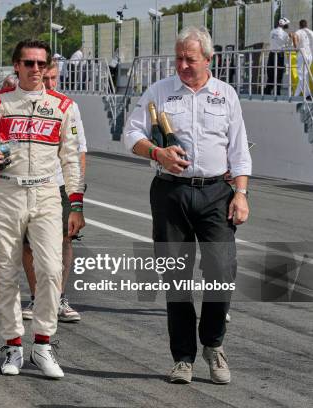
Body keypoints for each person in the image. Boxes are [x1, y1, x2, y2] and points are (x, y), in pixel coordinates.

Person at [123, 27, 252, 385]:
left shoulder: (225, 95)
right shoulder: (159, 92)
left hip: (215, 193)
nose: (181, 65)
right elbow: (130, 134)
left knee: (222, 271)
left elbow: (239, 150)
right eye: (178, 58)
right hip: (170, 193)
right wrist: (157, 152)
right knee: (175, 277)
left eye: (189, 59)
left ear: (209, 60)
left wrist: (241, 193)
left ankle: (213, 343)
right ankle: (183, 357)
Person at [0, 39, 85, 379]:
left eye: (41, 64)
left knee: (49, 270)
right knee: (4, 271)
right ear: (16, 65)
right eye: (28, 63)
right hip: (6, 191)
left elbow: (72, 159)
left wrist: (76, 204)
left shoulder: (64, 106)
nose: (35, 70)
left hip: (46, 192)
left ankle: (43, 344)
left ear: (47, 68)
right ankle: (13, 345)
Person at [21, 61, 87, 323]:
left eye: (53, 78)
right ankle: (38, 297)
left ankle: (59, 297)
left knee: (64, 240)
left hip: (59, 184)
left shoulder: (68, 107)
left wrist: (76, 190)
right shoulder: (20, 103)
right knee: (28, 245)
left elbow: (80, 150)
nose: (49, 84)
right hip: (27, 184)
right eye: (45, 78)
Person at [264, 18, 291, 96]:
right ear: (284, 25)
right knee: (279, 75)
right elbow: (288, 44)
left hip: (271, 54)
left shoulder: (272, 31)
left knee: (270, 74)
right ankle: (277, 92)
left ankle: (267, 92)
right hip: (280, 54)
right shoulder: (285, 34)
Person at [293, 20, 312, 99]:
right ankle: (307, 94)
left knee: (301, 74)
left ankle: (297, 95)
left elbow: (294, 36)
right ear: (306, 25)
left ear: (300, 25)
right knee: (306, 74)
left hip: (302, 54)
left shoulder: (299, 31)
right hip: (310, 55)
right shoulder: (311, 32)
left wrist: (296, 47)